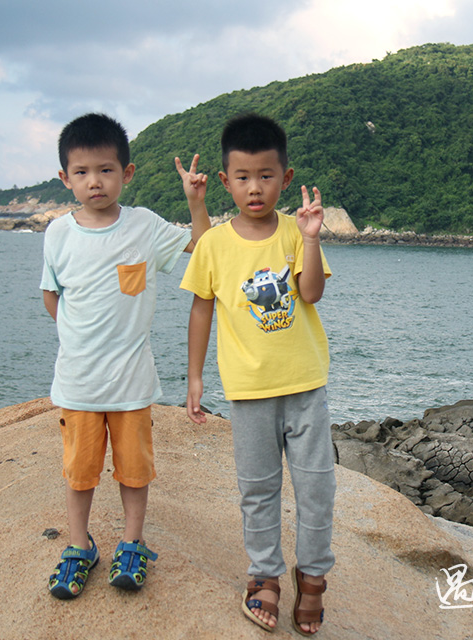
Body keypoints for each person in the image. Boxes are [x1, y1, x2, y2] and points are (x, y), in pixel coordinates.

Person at [40, 112, 210, 599]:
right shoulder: (58, 234)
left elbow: (200, 246)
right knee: (80, 473)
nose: (95, 182)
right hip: (79, 383)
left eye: (106, 170)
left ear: (127, 173)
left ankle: (131, 543)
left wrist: (195, 202)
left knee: (134, 470)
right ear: (65, 178)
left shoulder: (142, 226)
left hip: (132, 383)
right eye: (82, 172)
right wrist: (82, 338)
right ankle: (80, 546)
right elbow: (53, 297)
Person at [180, 113, 335, 636]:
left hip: (305, 386)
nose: (255, 188)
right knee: (258, 490)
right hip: (247, 393)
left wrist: (311, 239)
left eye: (266, 176)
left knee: (317, 487)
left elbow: (310, 293)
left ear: (285, 178)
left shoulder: (296, 231)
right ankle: (265, 576)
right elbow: (201, 308)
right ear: (226, 181)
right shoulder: (214, 245)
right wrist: (195, 378)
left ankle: (313, 576)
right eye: (243, 177)